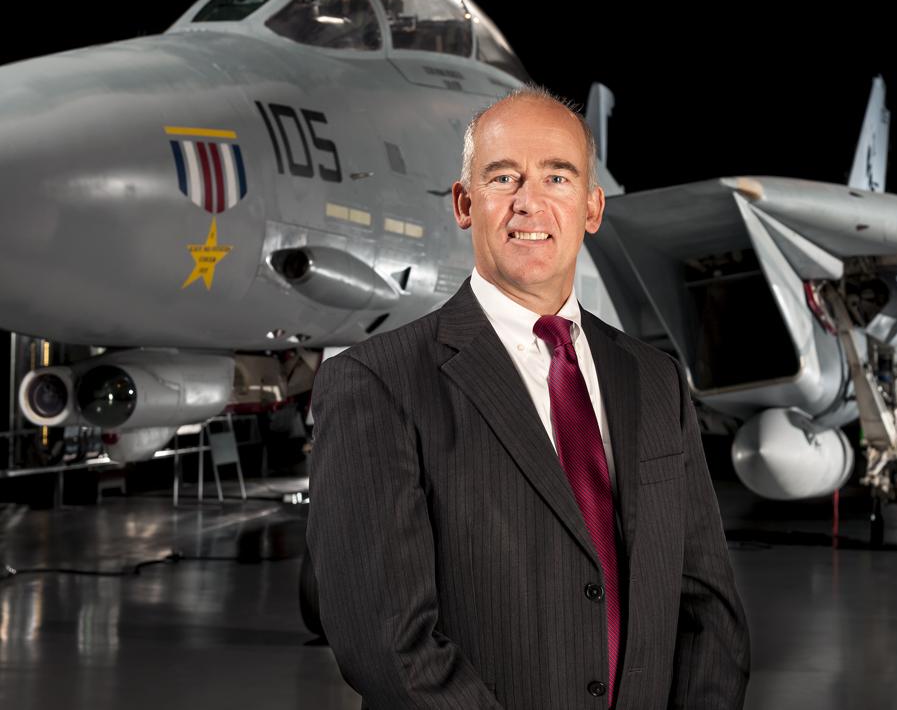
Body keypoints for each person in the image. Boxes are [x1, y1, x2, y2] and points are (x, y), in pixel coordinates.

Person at [306, 83, 751, 709]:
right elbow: (388, 646)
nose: (529, 204)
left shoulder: (655, 381)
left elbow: (709, 609)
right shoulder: (377, 383)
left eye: (557, 179)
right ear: (464, 203)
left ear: (593, 208)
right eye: (504, 178)